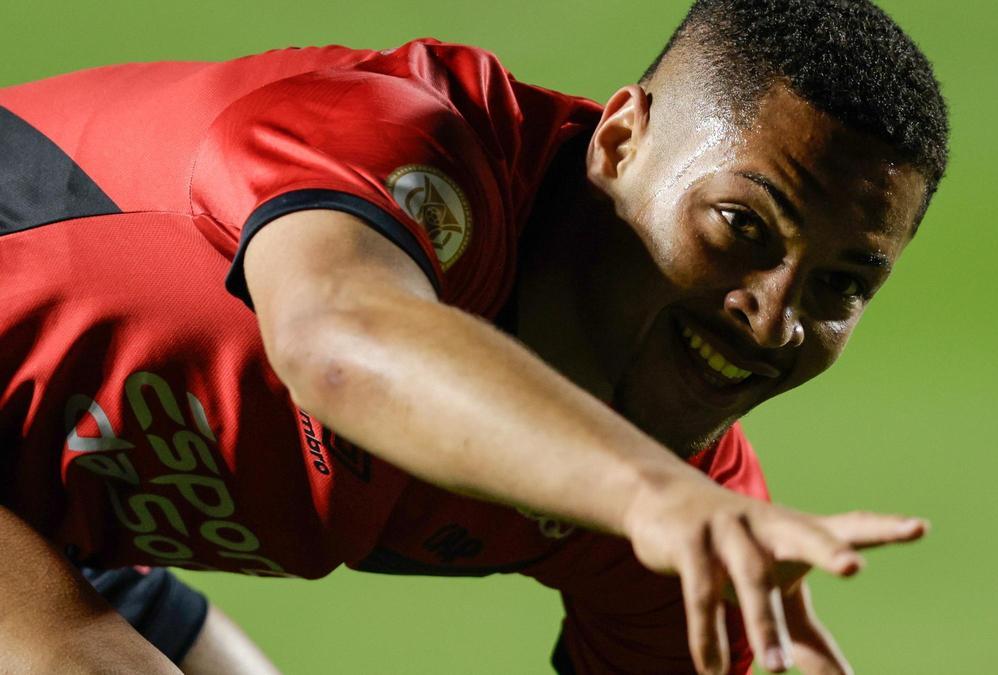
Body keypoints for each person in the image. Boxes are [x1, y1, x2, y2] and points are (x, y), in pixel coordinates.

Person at [0, 0, 948, 672]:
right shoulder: (396, 137)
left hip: (51, 523)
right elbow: (344, 337)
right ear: (620, 142)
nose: (774, 316)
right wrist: (648, 495)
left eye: (840, 285)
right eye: (742, 227)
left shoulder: (675, 504)